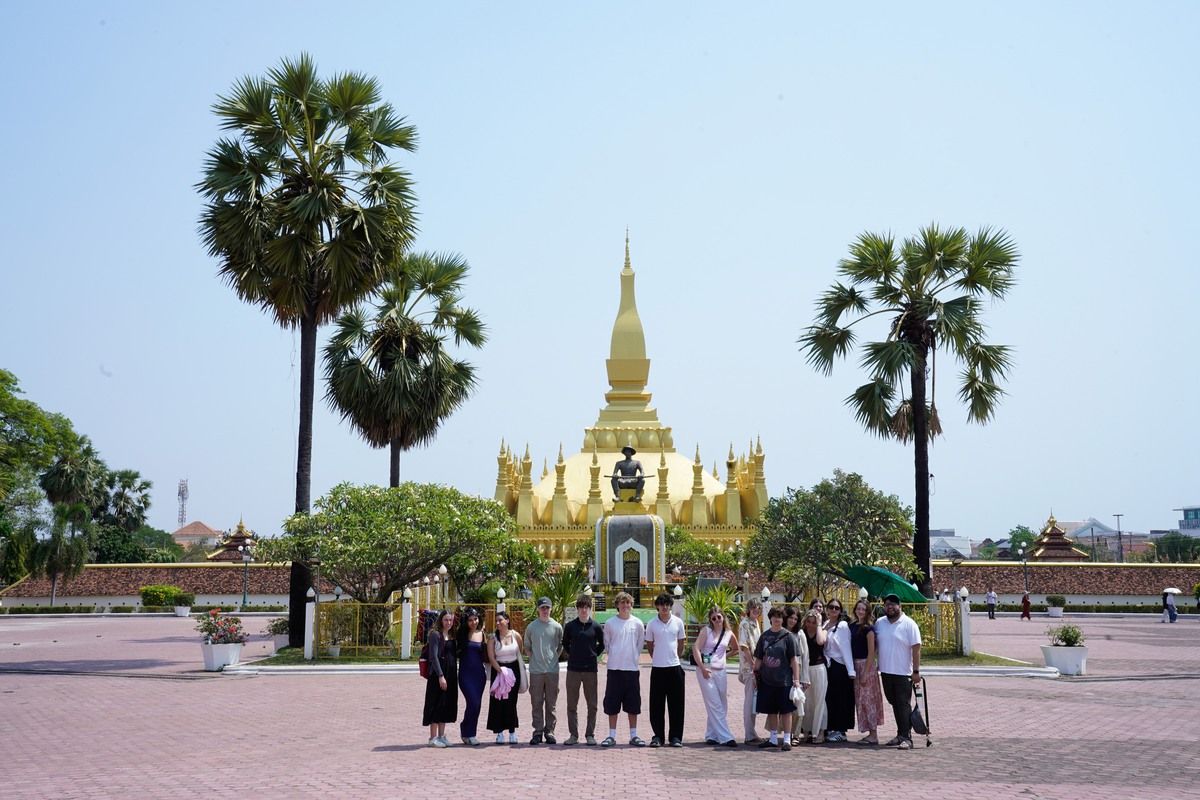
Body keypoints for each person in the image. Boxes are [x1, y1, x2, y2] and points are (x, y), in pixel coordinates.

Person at [874, 593, 922, 750]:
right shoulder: (880, 623)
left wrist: (915, 671)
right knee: (894, 703)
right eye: (887, 604)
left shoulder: (909, 624)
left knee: (903, 704)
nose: (890, 607)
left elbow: (916, 648)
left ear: (899, 606)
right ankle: (901, 733)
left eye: (893, 604)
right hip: (886, 671)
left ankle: (907, 737)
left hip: (903, 673)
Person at [752, 606, 801, 750]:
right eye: (775, 616)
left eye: (780, 617)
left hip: (784, 680)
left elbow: (794, 660)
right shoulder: (765, 637)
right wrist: (755, 675)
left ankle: (786, 739)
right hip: (767, 680)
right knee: (771, 710)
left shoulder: (788, 637)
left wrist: (796, 680)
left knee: (786, 711)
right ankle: (773, 739)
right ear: (770, 619)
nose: (777, 619)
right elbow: (759, 658)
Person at [601, 591, 647, 747]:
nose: (625, 606)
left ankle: (634, 735)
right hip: (614, 669)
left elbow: (640, 644)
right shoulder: (610, 623)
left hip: (632, 670)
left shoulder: (638, 623)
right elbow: (607, 644)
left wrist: (632, 656)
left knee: (633, 704)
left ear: (631, 605)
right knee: (612, 704)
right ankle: (611, 735)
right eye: (622, 603)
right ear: (617, 605)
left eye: (628, 603)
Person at [693, 605, 740, 747]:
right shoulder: (706, 631)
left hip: (721, 671)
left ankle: (711, 734)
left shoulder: (729, 633)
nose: (716, 620)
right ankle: (726, 737)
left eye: (719, 617)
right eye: (713, 618)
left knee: (722, 703)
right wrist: (702, 667)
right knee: (715, 704)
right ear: (710, 620)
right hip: (706, 671)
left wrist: (724, 656)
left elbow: (736, 649)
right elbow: (696, 648)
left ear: (723, 617)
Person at [562, 592, 604, 745]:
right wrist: (572, 654)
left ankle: (590, 734)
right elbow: (565, 643)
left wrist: (593, 655)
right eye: (581, 607)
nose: (584, 610)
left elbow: (602, 645)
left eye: (586, 607)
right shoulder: (570, 626)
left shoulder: (596, 627)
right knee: (572, 704)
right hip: (573, 670)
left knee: (592, 704)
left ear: (590, 609)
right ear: (577, 609)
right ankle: (573, 735)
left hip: (590, 670)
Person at [645, 592, 686, 747]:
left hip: (674, 667)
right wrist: (656, 657)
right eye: (662, 605)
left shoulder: (678, 622)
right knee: (656, 704)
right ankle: (658, 736)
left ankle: (675, 736)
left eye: (667, 605)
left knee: (676, 704)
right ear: (657, 606)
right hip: (658, 668)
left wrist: (676, 656)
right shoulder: (652, 624)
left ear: (670, 606)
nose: (665, 607)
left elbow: (681, 642)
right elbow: (649, 644)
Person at [524, 596, 564, 745]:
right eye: (542, 608)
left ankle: (550, 731)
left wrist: (554, 658)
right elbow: (527, 646)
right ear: (538, 609)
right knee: (536, 702)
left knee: (551, 704)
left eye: (547, 608)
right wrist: (533, 658)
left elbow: (560, 645)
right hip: (536, 671)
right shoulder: (532, 627)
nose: (545, 610)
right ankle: (538, 732)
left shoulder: (557, 627)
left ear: (551, 609)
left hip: (552, 671)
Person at [849, 599, 884, 745]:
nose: (860, 611)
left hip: (866, 666)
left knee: (869, 700)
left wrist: (865, 673)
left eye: (863, 609)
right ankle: (868, 731)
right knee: (860, 701)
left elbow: (871, 652)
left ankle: (873, 733)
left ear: (867, 611)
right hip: (854, 665)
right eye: (858, 609)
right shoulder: (852, 626)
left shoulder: (869, 629)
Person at [486, 610, 524, 743]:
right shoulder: (493, 638)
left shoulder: (516, 635)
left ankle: (512, 731)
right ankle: (499, 732)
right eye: (496, 621)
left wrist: (510, 672)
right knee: (498, 702)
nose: (498, 623)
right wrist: (501, 671)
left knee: (511, 702)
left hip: (513, 671)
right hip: (499, 671)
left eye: (500, 620)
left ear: (507, 620)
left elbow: (520, 650)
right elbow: (491, 657)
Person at [422, 609, 459, 747]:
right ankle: (432, 738)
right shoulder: (435, 635)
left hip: (451, 674)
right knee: (435, 704)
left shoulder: (451, 635)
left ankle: (442, 736)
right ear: (441, 620)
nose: (448, 622)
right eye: (446, 620)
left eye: (450, 620)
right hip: (438, 675)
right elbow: (434, 657)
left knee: (445, 705)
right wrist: (440, 676)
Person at [821, 598, 856, 742]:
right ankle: (831, 727)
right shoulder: (824, 624)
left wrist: (851, 670)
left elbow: (846, 648)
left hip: (840, 666)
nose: (833, 610)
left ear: (840, 611)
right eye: (831, 607)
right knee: (830, 699)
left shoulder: (842, 626)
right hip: (829, 666)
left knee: (841, 699)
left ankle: (841, 730)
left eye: (836, 608)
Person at [457, 607, 487, 745]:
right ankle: (466, 729)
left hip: (479, 675)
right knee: (472, 702)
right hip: (465, 674)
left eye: (475, 619)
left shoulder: (482, 634)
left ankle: (470, 733)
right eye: (470, 620)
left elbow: (487, 654)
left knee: (477, 705)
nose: (473, 622)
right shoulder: (461, 634)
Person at [782, 606, 810, 747]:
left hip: (797, 672)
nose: (792, 621)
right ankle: (784, 733)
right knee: (785, 705)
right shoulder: (780, 632)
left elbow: (805, 657)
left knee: (798, 704)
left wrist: (804, 677)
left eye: (795, 618)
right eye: (790, 617)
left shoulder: (799, 634)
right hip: (782, 673)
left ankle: (796, 734)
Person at [799, 610, 827, 744]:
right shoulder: (801, 633)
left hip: (819, 668)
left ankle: (820, 731)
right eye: (808, 622)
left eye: (813, 622)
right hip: (805, 669)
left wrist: (819, 624)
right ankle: (806, 730)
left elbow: (821, 641)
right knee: (807, 702)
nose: (811, 625)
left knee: (820, 701)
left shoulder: (822, 631)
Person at [738, 598, 763, 744]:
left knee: (753, 700)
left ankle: (752, 732)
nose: (756, 610)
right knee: (749, 701)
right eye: (753, 607)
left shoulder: (755, 624)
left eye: (758, 608)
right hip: (749, 668)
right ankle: (749, 735)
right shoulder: (745, 624)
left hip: (755, 667)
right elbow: (744, 646)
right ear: (749, 609)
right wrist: (753, 664)